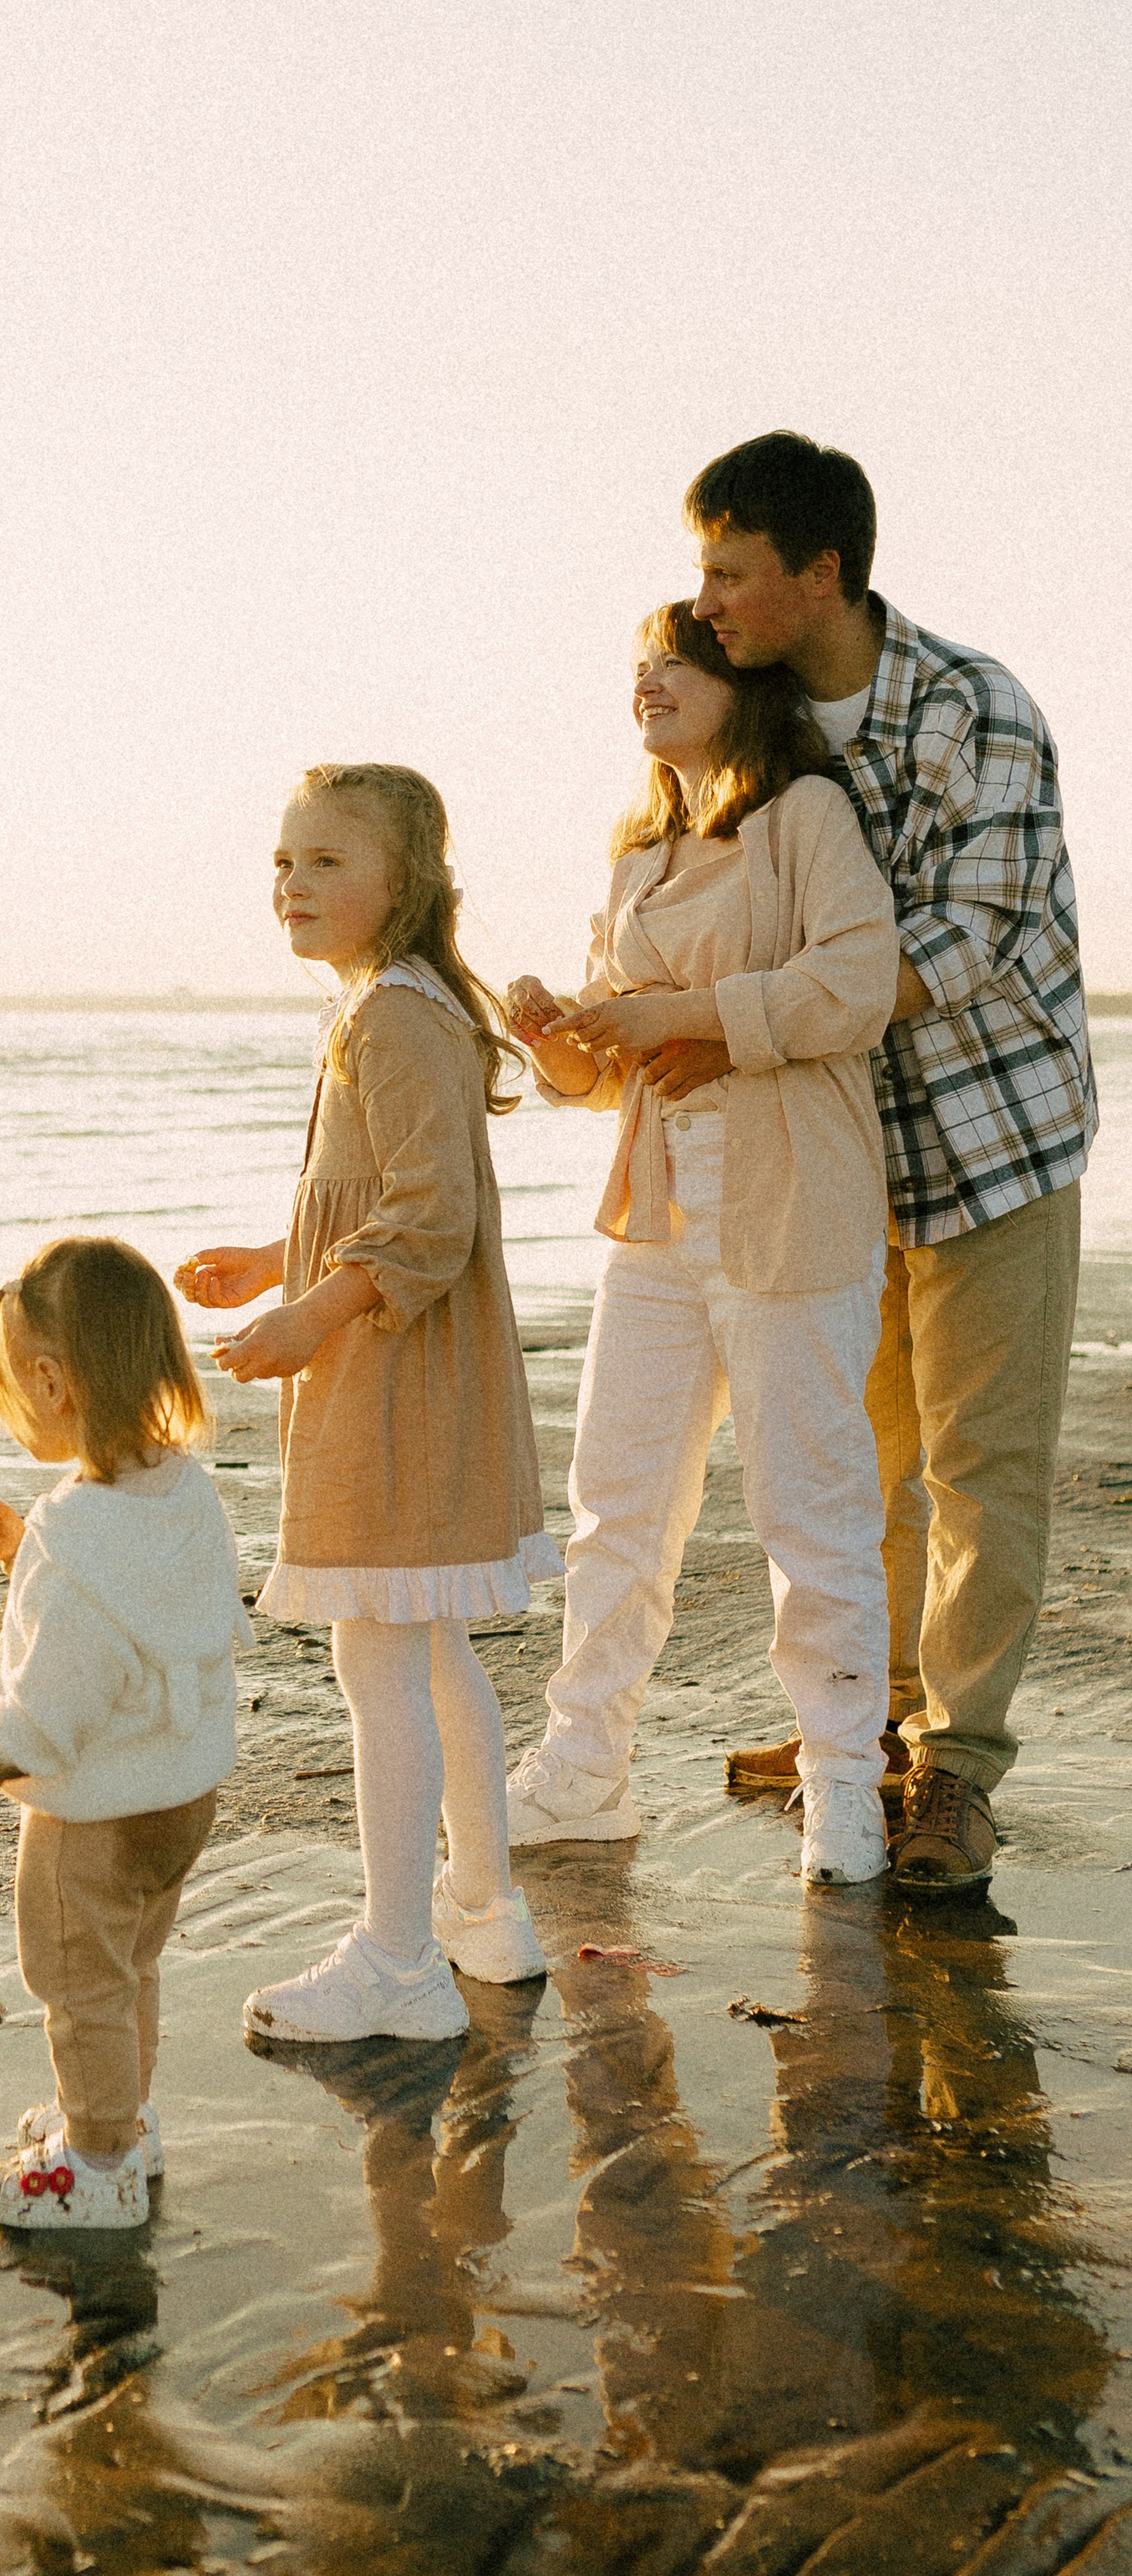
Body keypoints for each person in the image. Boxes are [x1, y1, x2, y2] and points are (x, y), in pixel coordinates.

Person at [676, 432, 1095, 1890]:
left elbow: (959, 946)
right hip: (837, 1153)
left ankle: (957, 1768)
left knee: (984, 1470)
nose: (705, 601)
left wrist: (731, 1024)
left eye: (730, 572)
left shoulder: (976, 708)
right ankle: (869, 1726)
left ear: (822, 572)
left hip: (991, 1140)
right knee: (862, 1463)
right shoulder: (757, 722)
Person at [501, 606, 901, 1884]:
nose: (648, 681)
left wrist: (689, 1013)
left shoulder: (806, 819)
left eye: (674, 661)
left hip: (795, 1204)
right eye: (639, 666)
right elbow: (610, 1063)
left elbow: (860, 982)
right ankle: (583, 1770)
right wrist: (557, 1040)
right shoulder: (639, 855)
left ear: (743, 684)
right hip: (660, 1217)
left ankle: (845, 1785)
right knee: (615, 1504)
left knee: (809, 1511)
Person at [178, 761, 556, 2046]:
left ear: (403, 885)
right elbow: (388, 1196)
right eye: (284, 861)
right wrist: (274, 1262)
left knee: (377, 1652)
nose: (293, 884)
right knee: (429, 1644)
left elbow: (429, 1221)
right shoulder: (399, 1006)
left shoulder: (391, 1016)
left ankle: (397, 1960)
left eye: (328, 861)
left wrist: (310, 1316)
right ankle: (484, 1911)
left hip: (395, 1380)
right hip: (414, 1372)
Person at [0, 1233, 250, 2232]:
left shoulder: (76, 1535)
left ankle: (98, 2166)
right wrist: (21, 1552)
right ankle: (121, 2120)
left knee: (77, 1982)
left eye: (10, 1395)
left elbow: (57, 1697)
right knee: (129, 1967)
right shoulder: (179, 1487)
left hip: (96, 1818)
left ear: (51, 1382)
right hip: (178, 1795)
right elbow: (140, 1607)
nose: (8, 1416)